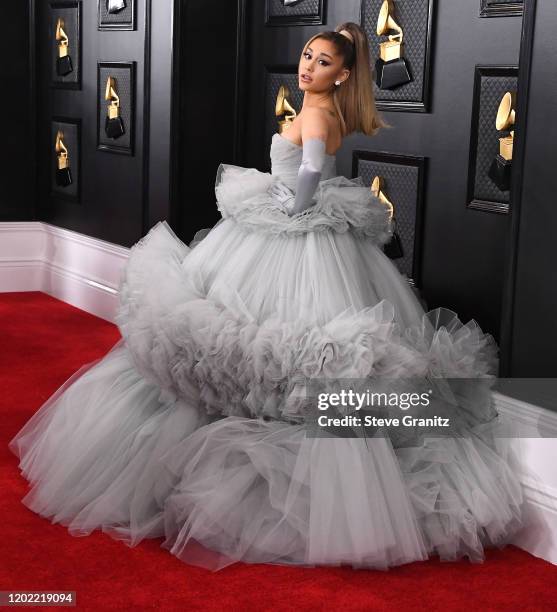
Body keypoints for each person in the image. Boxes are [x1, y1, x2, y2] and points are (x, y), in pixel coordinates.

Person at [9, 22, 525, 572]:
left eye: (322, 62)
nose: (308, 67)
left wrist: (292, 209)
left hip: (294, 229)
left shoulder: (322, 113)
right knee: (243, 338)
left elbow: (308, 171)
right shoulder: (314, 106)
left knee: (277, 348)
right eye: (307, 55)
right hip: (283, 219)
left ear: (343, 74)